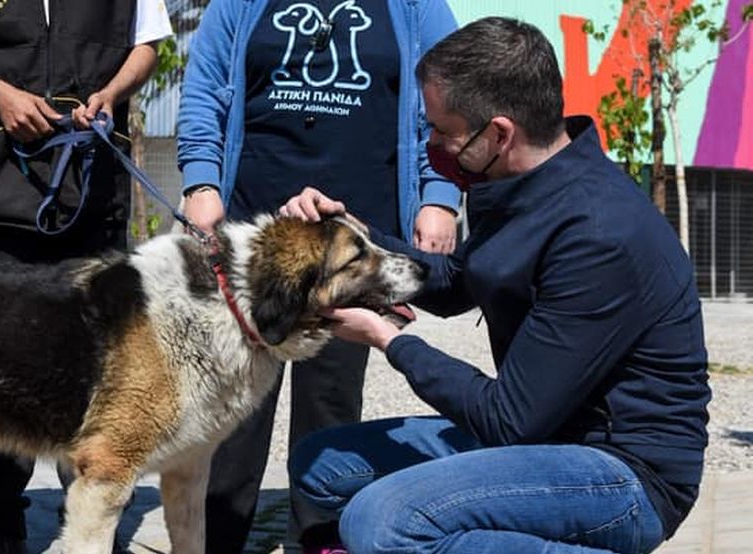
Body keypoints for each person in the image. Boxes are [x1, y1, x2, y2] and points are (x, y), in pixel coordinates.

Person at [281, 16, 711, 554]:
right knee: (322, 464)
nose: (433, 144)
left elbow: (508, 419)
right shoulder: (520, 185)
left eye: (443, 131)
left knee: (382, 520)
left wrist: (387, 339)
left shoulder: (597, 234)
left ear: (500, 133)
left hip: (624, 474)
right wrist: (356, 235)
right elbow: (456, 281)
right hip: (546, 436)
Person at [175, 0, 460, 551]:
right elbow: (204, 87)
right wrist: (201, 182)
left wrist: (440, 198)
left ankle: (320, 539)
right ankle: (215, 539)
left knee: (331, 407)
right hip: (257, 239)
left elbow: (447, 97)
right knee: (234, 406)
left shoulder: (415, 6)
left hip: (357, 244)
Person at [0, 1, 171, 552]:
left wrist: (112, 93)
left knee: (100, 364)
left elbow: (149, 45)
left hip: (93, 185)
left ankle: (92, 520)